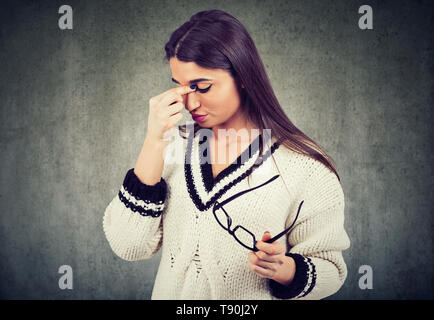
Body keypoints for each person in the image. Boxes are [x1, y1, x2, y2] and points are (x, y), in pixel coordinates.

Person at [103, 9, 350, 300]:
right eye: (181, 87)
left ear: (243, 75)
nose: (189, 103)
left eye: (202, 86)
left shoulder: (304, 165)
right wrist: (154, 139)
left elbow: (331, 270)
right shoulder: (171, 146)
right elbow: (128, 245)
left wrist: (285, 269)